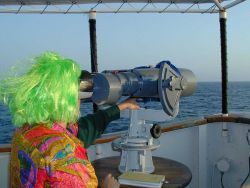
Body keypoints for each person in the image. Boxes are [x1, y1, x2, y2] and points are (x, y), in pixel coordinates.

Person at [0, 52, 139, 188]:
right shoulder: (66, 158)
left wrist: (122, 106)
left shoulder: (25, 132)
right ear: (66, 100)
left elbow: (86, 126)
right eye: (76, 95)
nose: (79, 100)